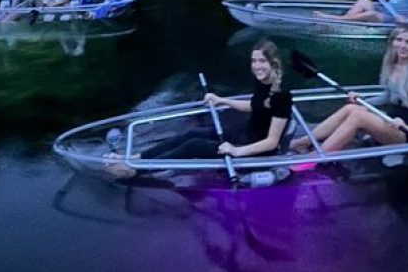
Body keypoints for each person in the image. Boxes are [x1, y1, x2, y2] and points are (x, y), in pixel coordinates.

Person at [104, 40, 293, 178]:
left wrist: (237, 152)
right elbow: (255, 106)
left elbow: (271, 142)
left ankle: (136, 170)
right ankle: (136, 156)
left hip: (254, 152)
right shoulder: (264, 83)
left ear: (273, 63)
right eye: (254, 61)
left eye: (262, 61)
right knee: (193, 132)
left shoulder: (282, 96)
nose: (256, 66)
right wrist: (223, 101)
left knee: (194, 145)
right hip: (244, 133)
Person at [290, 26, 408, 153]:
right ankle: (303, 142)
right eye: (398, 40)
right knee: (352, 107)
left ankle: (317, 157)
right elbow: (388, 96)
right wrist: (361, 99)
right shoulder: (392, 64)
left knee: (359, 117)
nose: (402, 45)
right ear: (392, 41)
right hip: (393, 121)